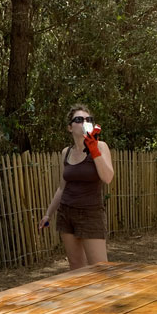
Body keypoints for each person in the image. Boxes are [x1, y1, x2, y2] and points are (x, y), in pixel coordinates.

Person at [39, 105, 115, 267]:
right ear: (69, 127)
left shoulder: (101, 147)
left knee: (100, 269)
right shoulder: (66, 152)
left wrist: (93, 149)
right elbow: (62, 187)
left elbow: (107, 178)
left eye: (88, 120)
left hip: (91, 213)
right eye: (79, 120)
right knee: (76, 269)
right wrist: (48, 214)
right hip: (67, 213)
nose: (84, 122)